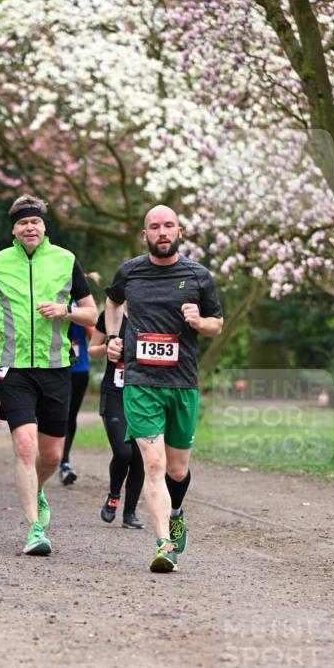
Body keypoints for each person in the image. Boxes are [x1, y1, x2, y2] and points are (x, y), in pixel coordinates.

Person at [0, 194, 97, 556]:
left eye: (35, 221)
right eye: (23, 222)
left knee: (52, 455)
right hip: (13, 367)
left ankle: (37, 488)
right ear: (14, 229)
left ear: (44, 226)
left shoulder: (65, 260)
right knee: (25, 445)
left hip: (56, 366)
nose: (30, 227)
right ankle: (34, 529)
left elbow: (91, 313)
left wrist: (64, 310)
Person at [105, 205, 223, 573]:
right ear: (145, 234)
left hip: (182, 383)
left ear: (179, 232)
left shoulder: (198, 275)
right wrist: (112, 337)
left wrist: (198, 321)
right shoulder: (130, 272)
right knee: (152, 463)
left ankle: (176, 511)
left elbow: (216, 324)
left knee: (177, 470)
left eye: (168, 226)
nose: (162, 232)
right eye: (155, 227)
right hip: (141, 382)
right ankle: (164, 545)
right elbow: (112, 301)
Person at [88, 309, 145, 528]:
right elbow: (92, 350)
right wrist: (108, 347)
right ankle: (113, 496)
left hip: (143, 396)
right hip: (115, 394)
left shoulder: (152, 311)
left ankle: (130, 513)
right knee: (123, 452)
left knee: (140, 457)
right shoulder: (111, 315)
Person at [58, 319, 91, 485]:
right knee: (60, 415)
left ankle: (65, 461)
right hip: (55, 367)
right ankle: (60, 461)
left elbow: (95, 335)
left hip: (79, 368)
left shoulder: (82, 307)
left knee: (71, 416)